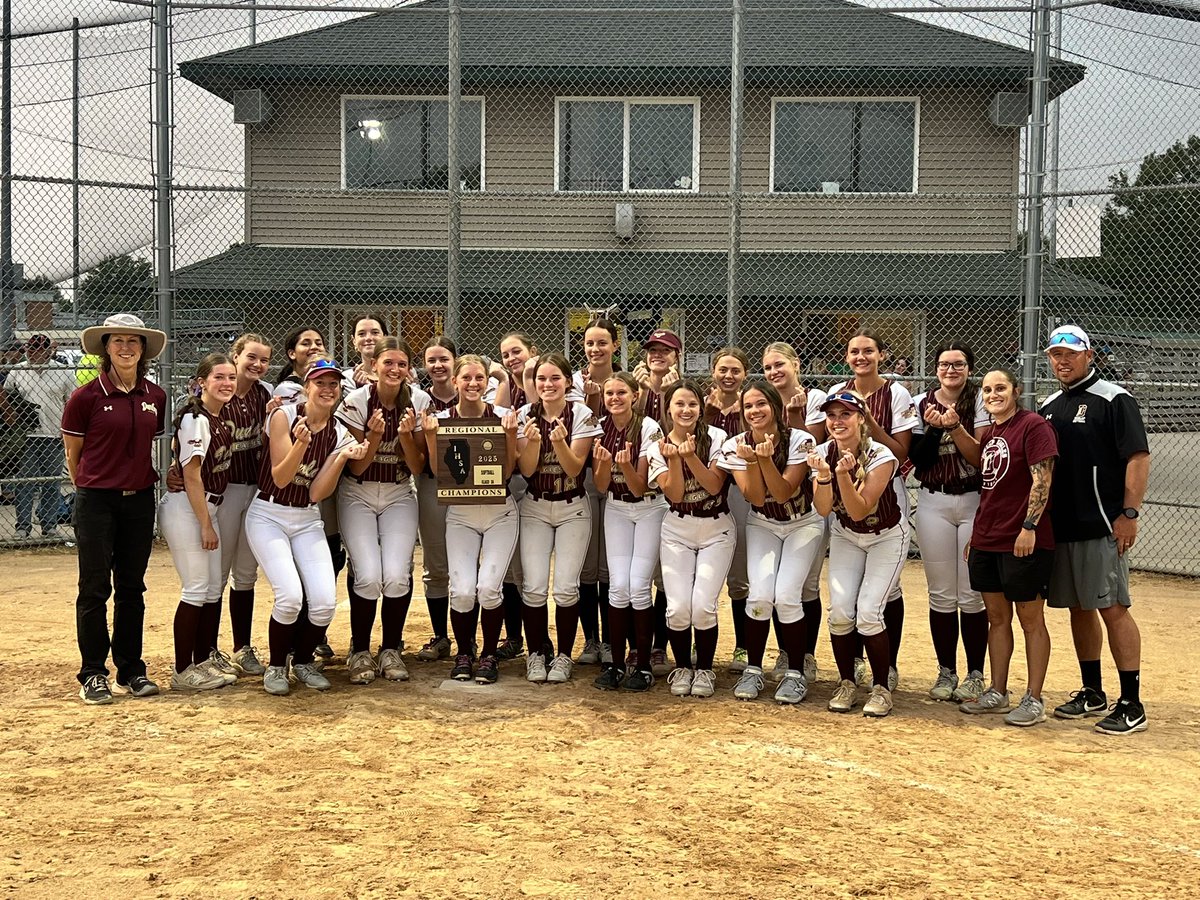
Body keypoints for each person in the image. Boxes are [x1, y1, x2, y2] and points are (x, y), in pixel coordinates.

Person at [1040, 325, 1151, 735]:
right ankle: (1092, 691)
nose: (1062, 361)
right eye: (1055, 354)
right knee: (1079, 607)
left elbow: (1138, 457)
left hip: (1102, 523)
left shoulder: (1114, 398)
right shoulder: (1049, 405)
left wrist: (1129, 513)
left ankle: (1132, 703)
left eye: (1071, 353)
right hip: (1063, 526)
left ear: (1089, 355)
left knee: (1112, 607)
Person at [244, 357, 368, 695]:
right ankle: (276, 666)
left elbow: (316, 493)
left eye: (333, 384)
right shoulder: (284, 416)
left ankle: (302, 661)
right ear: (307, 386)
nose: (327, 389)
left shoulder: (339, 432)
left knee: (324, 603)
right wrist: (301, 443)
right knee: (289, 597)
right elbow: (281, 478)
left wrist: (341, 457)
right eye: (320, 383)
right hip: (268, 513)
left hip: (306, 517)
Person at [63, 313, 168, 705]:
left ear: (143, 350)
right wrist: (93, 486)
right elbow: (73, 454)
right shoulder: (86, 397)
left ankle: (131, 669)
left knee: (131, 586)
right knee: (94, 587)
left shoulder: (155, 396)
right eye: (118, 341)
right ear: (106, 348)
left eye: (133, 341)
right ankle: (93, 673)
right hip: (96, 500)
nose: (126, 348)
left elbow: (151, 443)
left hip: (139, 499)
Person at [957, 369, 1057, 727]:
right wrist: (978, 533)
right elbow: (991, 488)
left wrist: (1029, 527)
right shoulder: (991, 432)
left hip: (1022, 539)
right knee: (997, 619)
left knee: (1031, 620)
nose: (993, 395)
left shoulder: (1033, 426)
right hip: (988, 537)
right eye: (987, 390)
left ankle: (1034, 697)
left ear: (1016, 390)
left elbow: (1042, 479)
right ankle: (997, 691)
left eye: (1000, 388)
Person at [720, 380, 823, 704]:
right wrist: (752, 461)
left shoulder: (800, 439)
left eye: (761, 404)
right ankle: (753, 669)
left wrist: (763, 460)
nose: (755, 411)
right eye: (748, 406)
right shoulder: (736, 444)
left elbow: (782, 492)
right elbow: (754, 497)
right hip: (763, 523)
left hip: (802, 523)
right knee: (760, 595)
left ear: (776, 408)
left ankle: (795, 672)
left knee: (788, 595)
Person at [808, 392, 907, 718]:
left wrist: (840, 475)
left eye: (845, 414)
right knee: (840, 611)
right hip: (847, 535)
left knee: (868, 613)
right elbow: (824, 509)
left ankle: (881, 687)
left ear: (861, 419)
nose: (837, 421)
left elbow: (860, 509)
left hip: (886, 536)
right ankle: (847, 682)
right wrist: (824, 475)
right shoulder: (823, 453)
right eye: (831, 415)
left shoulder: (880, 455)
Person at [423, 355, 520, 684]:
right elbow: (438, 471)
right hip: (461, 512)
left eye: (480, 378)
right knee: (463, 591)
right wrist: (429, 436)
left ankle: (489, 655)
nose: (473, 384)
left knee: (489, 589)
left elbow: (506, 472)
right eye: (466, 378)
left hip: (499, 511)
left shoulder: (502, 416)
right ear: (455, 381)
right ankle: (464, 652)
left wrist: (510, 435)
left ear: (487, 382)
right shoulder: (442, 419)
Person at [829, 330, 917, 692]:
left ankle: (887, 667)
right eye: (854, 351)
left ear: (881, 355)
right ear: (847, 357)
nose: (861, 357)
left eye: (868, 351)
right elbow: (830, 440)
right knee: (846, 601)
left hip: (885, 486)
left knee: (884, 592)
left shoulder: (895, 392)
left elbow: (900, 451)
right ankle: (853, 667)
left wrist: (867, 421)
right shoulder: (839, 390)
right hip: (847, 499)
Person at [337, 337, 428, 685]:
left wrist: (405, 436)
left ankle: (391, 648)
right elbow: (357, 467)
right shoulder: (357, 400)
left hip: (398, 491)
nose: (395, 369)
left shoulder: (418, 400)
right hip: (358, 492)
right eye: (388, 362)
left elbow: (418, 467)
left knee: (396, 575)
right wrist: (374, 437)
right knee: (368, 575)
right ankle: (360, 649)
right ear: (373, 365)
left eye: (402, 364)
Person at [909, 342, 991, 703]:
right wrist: (932, 429)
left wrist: (955, 426)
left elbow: (980, 457)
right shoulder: (921, 402)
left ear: (969, 369)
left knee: (971, 593)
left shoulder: (980, 400)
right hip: (934, 500)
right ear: (936, 369)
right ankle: (946, 671)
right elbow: (920, 461)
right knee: (941, 593)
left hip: (973, 500)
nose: (951, 370)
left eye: (958, 364)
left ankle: (975, 674)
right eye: (944, 364)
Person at [516, 353, 602, 683]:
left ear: (568, 381)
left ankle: (564, 655)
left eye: (555, 378)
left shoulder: (581, 413)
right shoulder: (525, 414)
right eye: (542, 379)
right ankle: (536, 654)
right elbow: (526, 470)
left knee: (566, 588)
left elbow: (574, 467)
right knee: (534, 587)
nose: (548, 384)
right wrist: (532, 443)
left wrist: (560, 442)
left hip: (572, 506)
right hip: (535, 505)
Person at [647, 379, 735, 699]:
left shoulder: (717, 437)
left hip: (716, 527)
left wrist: (691, 457)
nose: (686, 410)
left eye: (693, 404)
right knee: (678, 608)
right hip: (677, 528)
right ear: (668, 409)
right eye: (679, 404)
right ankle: (683, 666)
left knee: (702, 607)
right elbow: (674, 493)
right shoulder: (657, 445)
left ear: (701, 407)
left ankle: (705, 669)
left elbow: (713, 486)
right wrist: (674, 458)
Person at [158, 353, 237, 692]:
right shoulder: (196, 418)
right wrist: (205, 524)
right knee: (196, 587)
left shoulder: (218, 416)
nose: (226, 383)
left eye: (231, 377)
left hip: (206, 507)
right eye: (219, 377)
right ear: (202, 382)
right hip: (188, 509)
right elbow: (191, 476)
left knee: (211, 588)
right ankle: (182, 670)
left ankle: (202, 660)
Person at [591, 371, 666, 692]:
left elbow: (639, 486)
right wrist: (604, 464)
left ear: (635, 395)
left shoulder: (648, 427)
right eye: (609, 393)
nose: (615, 398)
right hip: (617, 508)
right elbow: (600, 485)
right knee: (618, 587)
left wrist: (622, 465)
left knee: (638, 586)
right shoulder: (599, 427)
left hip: (649, 507)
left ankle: (644, 666)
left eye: (621, 392)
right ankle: (616, 664)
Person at [761, 341, 830, 685]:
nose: (774, 372)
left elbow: (809, 448)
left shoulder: (815, 398)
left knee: (807, 586)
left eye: (780, 365)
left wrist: (797, 415)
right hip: (773, 508)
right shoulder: (764, 401)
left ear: (796, 364)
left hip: (808, 504)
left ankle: (806, 654)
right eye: (768, 367)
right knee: (776, 585)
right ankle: (786, 651)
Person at [216, 333, 275, 676]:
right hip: (223, 491)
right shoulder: (218, 391)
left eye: (264, 360)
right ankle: (208, 649)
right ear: (235, 355)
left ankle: (242, 647)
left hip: (255, 490)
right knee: (217, 573)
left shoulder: (265, 394)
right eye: (251, 357)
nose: (257, 364)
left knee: (245, 573)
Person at [704, 348, 751, 674]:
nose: (729, 376)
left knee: (739, 574)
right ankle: (700, 637)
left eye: (735, 370)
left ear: (745, 374)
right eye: (723, 369)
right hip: (703, 493)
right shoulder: (702, 403)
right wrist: (707, 413)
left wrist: (742, 415)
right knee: (702, 572)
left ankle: (742, 646)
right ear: (713, 372)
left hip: (737, 491)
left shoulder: (751, 404)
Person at [2, 334, 76, 538]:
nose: (33, 353)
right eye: (31, 349)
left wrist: (66, 429)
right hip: (25, 436)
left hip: (54, 434)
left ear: (48, 351)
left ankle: (49, 525)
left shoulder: (63, 371)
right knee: (24, 482)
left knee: (51, 482)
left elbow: (72, 402)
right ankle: (23, 526)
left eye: (38, 349)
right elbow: (7, 397)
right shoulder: (18, 370)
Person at [575, 318, 618, 669]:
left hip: (619, 479)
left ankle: (612, 641)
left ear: (615, 345)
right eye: (590, 343)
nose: (595, 349)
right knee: (587, 566)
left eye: (602, 342)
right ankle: (591, 639)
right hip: (585, 477)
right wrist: (589, 398)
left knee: (609, 567)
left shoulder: (625, 382)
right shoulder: (573, 382)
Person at [415, 336, 459, 662]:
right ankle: (441, 636)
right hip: (431, 483)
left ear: (455, 361)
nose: (438, 365)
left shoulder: (470, 392)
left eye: (444, 358)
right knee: (436, 562)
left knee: (470, 562)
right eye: (431, 360)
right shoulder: (419, 399)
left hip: (468, 487)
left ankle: (471, 638)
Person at [343, 314, 388, 391]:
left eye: (375, 332)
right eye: (361, 334)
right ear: (354, 341)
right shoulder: (347, 378)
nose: (368, 338)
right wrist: (361, 390)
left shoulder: (397, 373)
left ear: (385, 337)